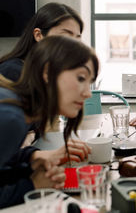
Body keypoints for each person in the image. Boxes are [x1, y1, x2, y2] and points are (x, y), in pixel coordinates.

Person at [0, 35, 98, 208]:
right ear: (48, 73)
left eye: (90, 82)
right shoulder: (12, 118)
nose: (88, 93)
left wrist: (31, 161)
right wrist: (34, 185)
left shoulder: (20, 110)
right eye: (81, 78)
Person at [0, 2, 83, 82]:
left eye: (77, 38)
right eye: (66, 36)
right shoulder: (11, 71)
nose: (74, 46)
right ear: (38, 35)